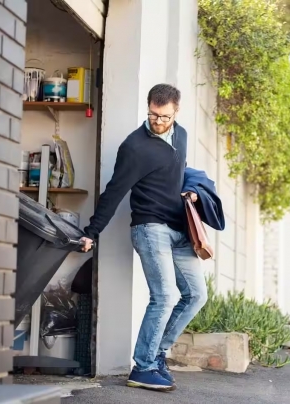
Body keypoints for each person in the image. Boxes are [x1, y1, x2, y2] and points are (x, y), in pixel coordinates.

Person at [80, 84, 207, 392]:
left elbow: (179, 170)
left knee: (196, 295)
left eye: (163, 116)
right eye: (152, 114)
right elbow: (114, 191)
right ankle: (144, 366)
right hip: (150, 229)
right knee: (163, 297)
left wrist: (192, 191)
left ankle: (156, 354)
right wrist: (91, 232)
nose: (157, 121)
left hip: (179, 230)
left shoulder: (182, 135)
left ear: (176, 110)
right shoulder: (134, 147)